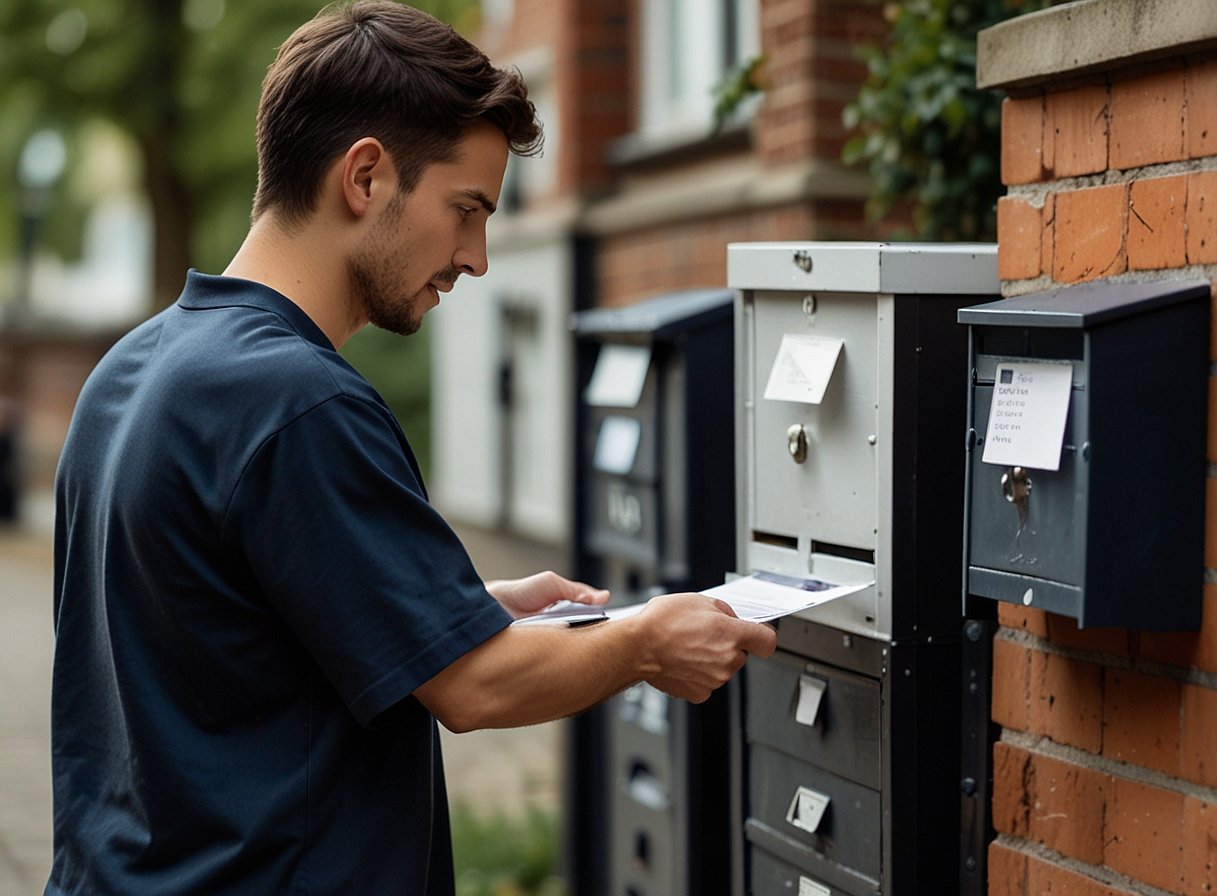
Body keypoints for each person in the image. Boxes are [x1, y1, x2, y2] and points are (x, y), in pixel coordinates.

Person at [45, 2, 776, 893]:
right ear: (364, 176)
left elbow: (227, 630)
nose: (476, 257)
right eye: (465, 208)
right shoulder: (300, 402)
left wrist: (465, 609)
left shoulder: (130, 372)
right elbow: (475, 689)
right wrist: (647, 642)